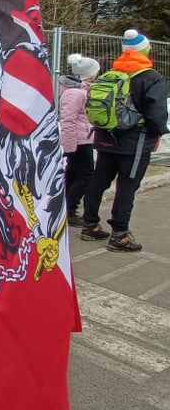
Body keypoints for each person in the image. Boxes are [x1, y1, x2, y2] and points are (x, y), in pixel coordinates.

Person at [80, 29, 168, 252]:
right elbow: (156, 114)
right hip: (135, 142)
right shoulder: (151, 77)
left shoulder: (110, 74)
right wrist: (159, 131)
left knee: (99, 179)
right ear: (145, 51)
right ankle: (119, 234)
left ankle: (89, 224)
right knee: (127, 185)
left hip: (105, 137)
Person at [59, 53, 100, 226]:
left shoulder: (81, 90)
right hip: (79, 141)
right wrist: (69, 146)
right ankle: (69, 208)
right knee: (85, 175)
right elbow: (67, 120)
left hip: (82, 138)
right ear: (91, 73)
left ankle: (67, 208)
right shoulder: (75, 93)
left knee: (73, 173)